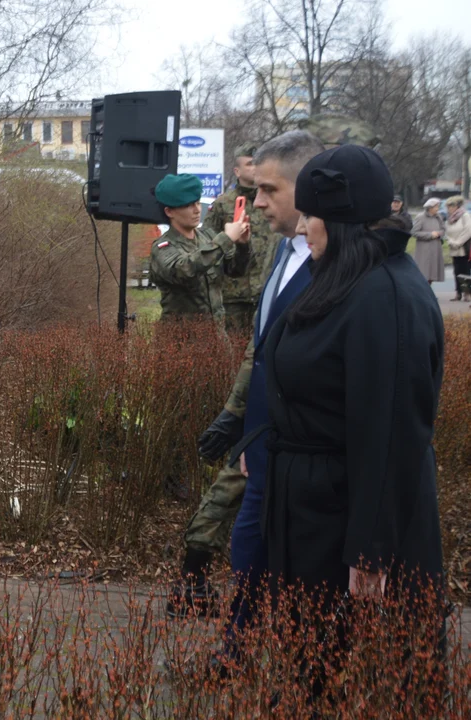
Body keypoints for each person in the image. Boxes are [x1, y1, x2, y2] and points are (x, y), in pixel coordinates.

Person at [251, 145, 445, 697]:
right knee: (310, 663)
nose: (303, 227)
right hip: (313, 509)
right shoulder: (342, 277)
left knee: (350, 671)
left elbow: (390, 434)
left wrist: (370, 549)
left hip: (347, 523)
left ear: (340, 221)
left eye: (312, 216)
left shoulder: (386, 297)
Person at [169, 132, 326, 637]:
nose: (257, 203)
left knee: (272, 546)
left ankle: (253, 643)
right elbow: (189, 270)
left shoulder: (329, 261)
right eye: (254, 189)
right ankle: (218, 618)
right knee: (246, 532)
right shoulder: (188, 241)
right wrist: (236, 414)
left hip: (290, 428)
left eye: (268, 191)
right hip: (205, 371)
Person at [148, 173, 252, 324]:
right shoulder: (162, 248)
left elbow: (236, 270)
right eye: (188, 205)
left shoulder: (208, 237)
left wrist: (242, 245)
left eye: (197, 203)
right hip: (182, 340)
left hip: (216, 335)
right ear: (169, 211)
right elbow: (184, 270)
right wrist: (226, 239)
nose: (197, 210)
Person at [202, 144, 281, 331]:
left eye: (259, 164)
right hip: (235, 295)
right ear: (237, 171)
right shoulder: (223, 204)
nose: (256, 168)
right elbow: (207, 243)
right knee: (235, 352)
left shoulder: (275, 201)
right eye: (250, 164)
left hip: (267, 289)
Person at [411, 198, 445, 285]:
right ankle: (423, 293)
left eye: (438, 206)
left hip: (436, 248)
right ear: (430, 208)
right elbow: (414, 232)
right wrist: (430, 235)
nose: (438, 208)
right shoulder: (420, 217)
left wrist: (438, 233)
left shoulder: (439, 217)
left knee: (432, 272)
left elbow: (443, 229)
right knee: (424, 272)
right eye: (436, 206)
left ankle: (429, 291)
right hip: (424, 249)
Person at [445, 196, 471, 301]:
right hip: (454, 249)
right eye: (448, 206)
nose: (449, 208)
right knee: (456, 272)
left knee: (465, 272)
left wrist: (458, 242)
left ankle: (467, 293)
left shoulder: (465, 216)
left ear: (457, 206)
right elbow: (447, 232)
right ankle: (458, 293)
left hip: (464, 248)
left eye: (452, 206)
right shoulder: (449, 219)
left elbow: (468, 231)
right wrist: (451, 242)